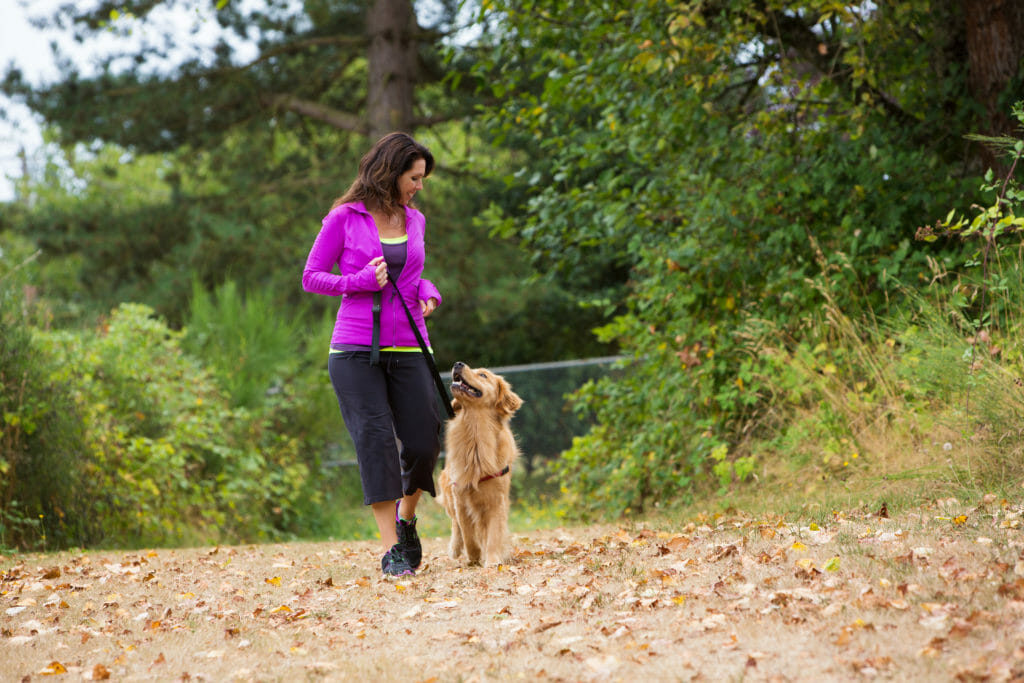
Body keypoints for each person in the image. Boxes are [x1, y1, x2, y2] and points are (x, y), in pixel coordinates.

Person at [302, 132, 442, 577]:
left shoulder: (414, 220)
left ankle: (406, 519)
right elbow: (312, 276)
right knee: (376, 442)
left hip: (410, 344)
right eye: (414, 177)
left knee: (424, 440)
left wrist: (430, 293)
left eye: (421, 178)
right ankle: (391, 551)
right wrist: (355, 281)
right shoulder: (343, 218)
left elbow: (413, 276)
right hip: (354, 349)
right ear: (391, 172)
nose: (418, 186)